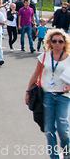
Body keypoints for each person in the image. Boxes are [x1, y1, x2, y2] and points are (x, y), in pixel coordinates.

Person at [25, 29, 70, 159]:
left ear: (64, 43)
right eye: (54, 41)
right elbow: (36, 74)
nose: (57, 43)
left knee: (63, 131)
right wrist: (28, 91)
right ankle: (53, 156)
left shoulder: (69, 58)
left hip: (63, 96)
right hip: (47, 96)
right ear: (49, 42)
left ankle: (67, 153)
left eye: (60, 41)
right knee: (49, 130)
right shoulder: (43, 57)